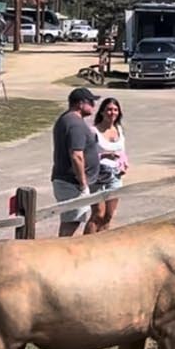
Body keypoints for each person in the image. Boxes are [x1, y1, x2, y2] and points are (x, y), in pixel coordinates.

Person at [51, 86, 100, 237]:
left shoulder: (66, 119)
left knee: (74, 220)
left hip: (69, 181)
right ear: (80, 103)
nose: (94, 106)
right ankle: (60, 255)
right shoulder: (75, 124)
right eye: (91, 102)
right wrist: (83, 183)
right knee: (71, 222)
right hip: (72, 183)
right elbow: (76, 155)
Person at [88, 97, 128, 232]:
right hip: (98, 176)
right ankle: (87, 242)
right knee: (98, 213)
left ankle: (102, 241)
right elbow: (87, 155)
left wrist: (124, 164)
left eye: (115, 110)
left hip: (115, 175)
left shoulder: (119, 129)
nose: (112, 113)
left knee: (109, 215)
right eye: (109, 110)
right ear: (102, 112)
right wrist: (105, 155)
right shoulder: (94, 132)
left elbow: (122, 151)